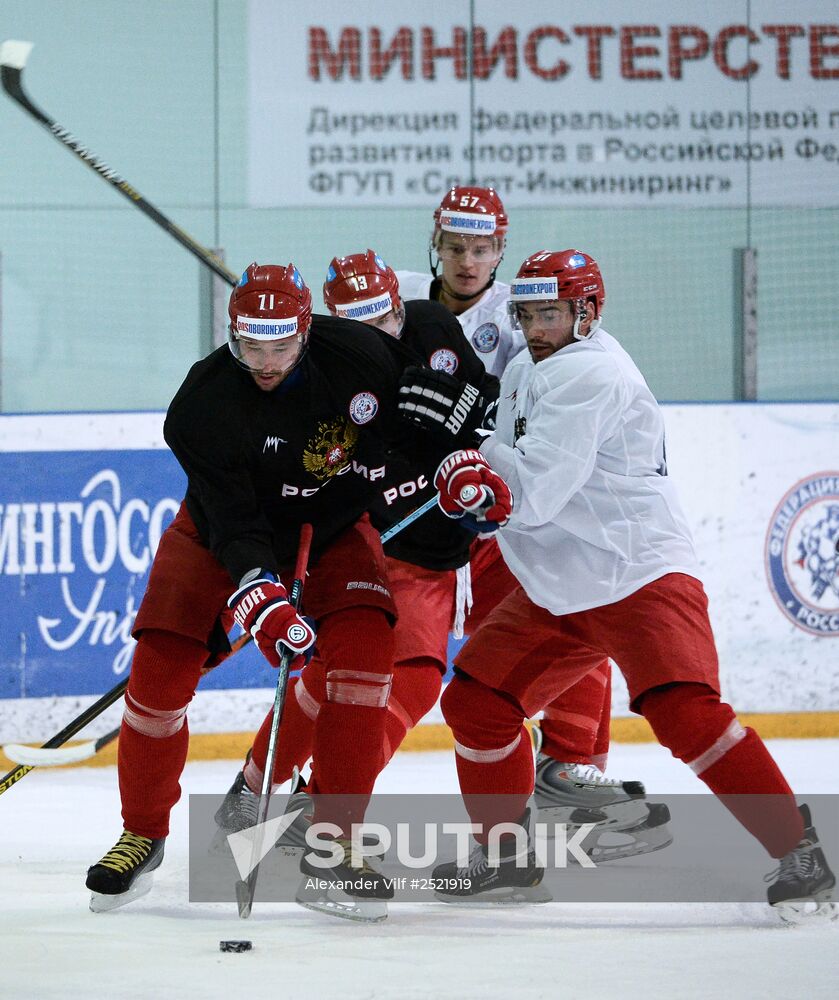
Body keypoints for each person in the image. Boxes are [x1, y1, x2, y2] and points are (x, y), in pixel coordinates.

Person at [423, 249, 835, 919]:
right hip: (563, 583)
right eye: (525, 313)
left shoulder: (593, 374)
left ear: (587, 312)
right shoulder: (532, 363)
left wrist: (468, 464)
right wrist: (473, 464)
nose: (533, 327)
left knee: (684, 712)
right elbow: (505, 469)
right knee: (477, 700)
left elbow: (532, 496)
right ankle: (503, 861)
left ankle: (801, 856)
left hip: (636, 573)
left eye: (549, 313)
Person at [84, 262, 468, 922]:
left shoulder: (359, 354)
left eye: (280, 346)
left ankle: (334, 843)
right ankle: (141, 833)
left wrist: (461, 457)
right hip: (216, 534)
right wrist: (259, 591)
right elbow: (231, 520)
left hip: (334, 527)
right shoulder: (200, 406)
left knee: (366, 654)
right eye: (251, 347)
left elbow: (425, 417)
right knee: (158, 677)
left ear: (305, 332)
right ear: (232, 336)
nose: (265, 363)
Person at [396, 186, 669, 855]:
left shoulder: (521, 307)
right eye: (456, 246)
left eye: (483, 247)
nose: (468, 260)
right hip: (420, 498)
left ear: (501, 250)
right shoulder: (400, 299)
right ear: (435, 243)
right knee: (395, 654)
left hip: (503, 498)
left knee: (571, 607)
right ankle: (313, 784)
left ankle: (567, 765)